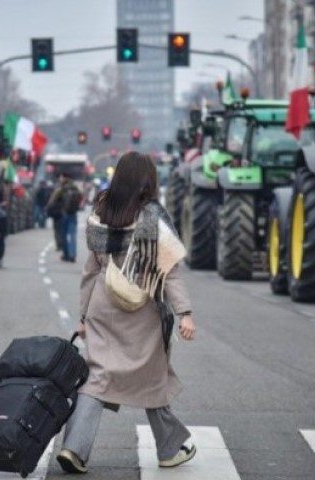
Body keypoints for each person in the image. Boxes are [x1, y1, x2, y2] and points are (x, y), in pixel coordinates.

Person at [56, 152, 197, 474]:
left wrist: (83, 317)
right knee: (151, 376)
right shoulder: (154, 218)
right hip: (142, 310)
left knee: (98, 376)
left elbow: (90, 271)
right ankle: (170, 448)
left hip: (102, 306)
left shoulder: (101, 213)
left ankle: (73, 448)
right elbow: (170, 272)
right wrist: (185, 312)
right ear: (148, 180)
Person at [47, 172, 82, 262]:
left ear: (64, 178)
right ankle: (73, 254)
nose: (59, 179)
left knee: (63, 235)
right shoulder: (75, 188)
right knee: (73, 235)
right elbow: (81, 198)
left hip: (64, 214)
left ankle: (66, 254)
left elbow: (52, 201)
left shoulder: (61, 189)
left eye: (60, 177)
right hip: (73, 214)